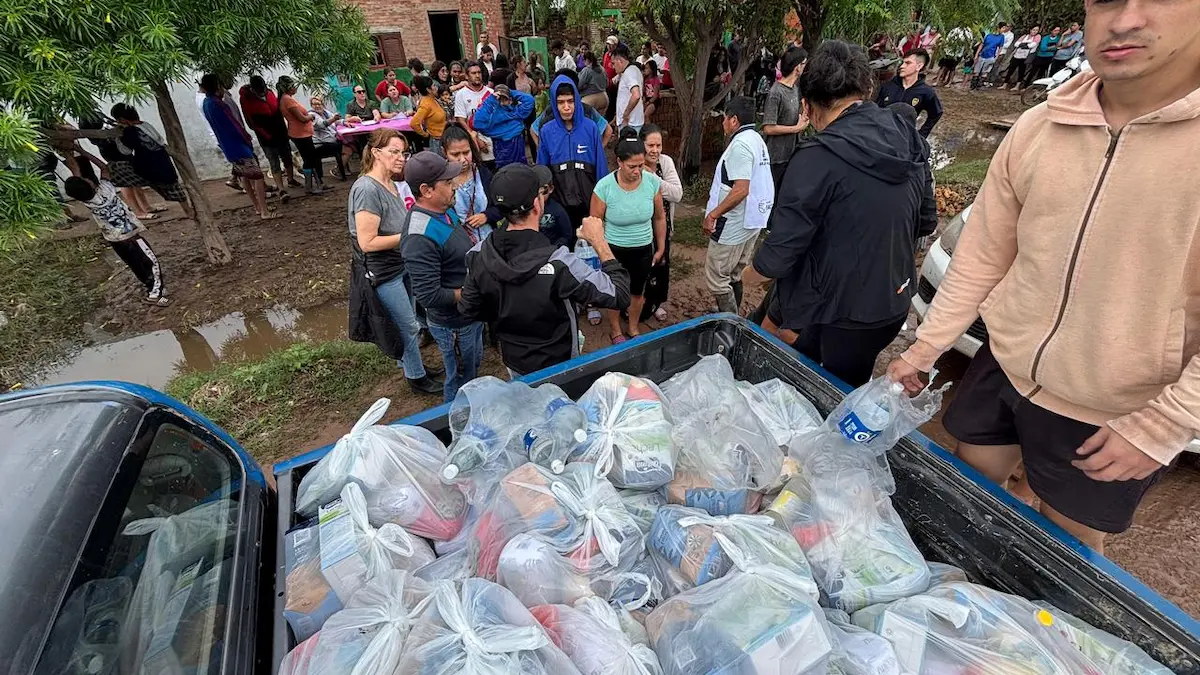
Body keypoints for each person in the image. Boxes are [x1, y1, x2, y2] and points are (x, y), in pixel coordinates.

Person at [887, 0, 1200, 553]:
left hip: (1114, 402)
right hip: (1006, 361)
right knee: (971, 485)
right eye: (1106, 0)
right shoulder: (1040, 126)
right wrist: (924, 347)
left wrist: (1166, 424)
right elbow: (982, 254)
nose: (1124, 20)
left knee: (1068, 541)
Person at [747, 41, 935, 386]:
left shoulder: (816, 157)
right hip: (894, 301)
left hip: (845, 311)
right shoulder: (907, 134)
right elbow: (926, 220)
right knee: (822, 364)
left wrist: (746, 274)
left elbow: (780, 255)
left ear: (807, 104)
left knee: (829, 395)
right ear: (864, 89)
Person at [459, 163, 631, 377]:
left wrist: (506, 308)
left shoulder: (477, 254)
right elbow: (620, 294)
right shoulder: (559, 262)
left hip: (516, 362)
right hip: (560, 365)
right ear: (537, 204)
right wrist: (598, 240)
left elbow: (469, 309)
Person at [347, 129, 442, 395]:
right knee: (408, 325)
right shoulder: (367, 189)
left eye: (403, 152)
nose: (401, 158)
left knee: (409, 321)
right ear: (376, 153)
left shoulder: (390, 183)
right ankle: (416, 378)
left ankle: (416, 368)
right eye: (394, 152)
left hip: (399, 265)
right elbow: (367, 242)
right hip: (382, 271)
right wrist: (409, 236)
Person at [402, 151, 484, 402]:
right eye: (447, 183)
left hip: (470, 313)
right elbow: (428, 295)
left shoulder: (443, 211)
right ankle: (456, 426)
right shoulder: (419, 236)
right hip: (454, 324)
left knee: (471, 369)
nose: (454, 186)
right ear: (426, 190)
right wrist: (473, 291)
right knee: (459, 379)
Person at [590, 130, 666, 343]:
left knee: (637, 293)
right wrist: (602, 252)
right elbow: (594, 224)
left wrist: (660, 248)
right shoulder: (604, 187)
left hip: (643, 248)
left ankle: (633, 327)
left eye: (641, 165)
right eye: (632, 166)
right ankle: (615, 330)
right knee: (614, 292)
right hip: (614, 249)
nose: (637, 171)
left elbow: (660, 217)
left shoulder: (651, 182)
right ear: (619, 162)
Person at [702, 96, 774, 316]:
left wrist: (713, 214)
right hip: (754, 218)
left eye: (724, 118)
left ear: (733, 120)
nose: (723, 123)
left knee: (716, 275)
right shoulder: (756, 139)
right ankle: (730, 313)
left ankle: (729, 320)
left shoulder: (741, 145)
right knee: (735, 271)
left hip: (735, 221)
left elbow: (741, 189)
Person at [65, 173, 169, 305]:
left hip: (115, 240)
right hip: (131, 237)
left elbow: (83, 177)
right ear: (89, 184)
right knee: (151, 262)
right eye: (85, 178)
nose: (87, 177)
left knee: (136, 265)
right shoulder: (106, 189)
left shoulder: (86, 202)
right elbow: (104, 168)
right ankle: (155, 295)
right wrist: (82, 152)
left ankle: (151, 287)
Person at [200, 74, 277, 220]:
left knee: (245, 177)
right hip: (237, 145)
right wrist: (246, 138)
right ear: (217, 86)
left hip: (228, 147)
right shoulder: (218, 104)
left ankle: (257, 207)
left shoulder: (206, 103)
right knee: (257, 176)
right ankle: (264, 211)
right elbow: (233, 125)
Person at [537, 74, 608, 231]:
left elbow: (601, 169)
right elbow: (542, 170)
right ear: (554, 105)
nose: (566, 107)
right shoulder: (547, 131)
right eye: (561, 102)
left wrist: (603, 201)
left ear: (576, 100)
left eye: (570, 101)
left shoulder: (590, 128)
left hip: (589, 202)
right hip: (559, 203)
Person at [108, 104, 188, 210]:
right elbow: (159, 140)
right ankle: (188, 210)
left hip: (147, 168)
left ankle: (139, 209)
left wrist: (118, 137)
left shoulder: (130, 132)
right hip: (163, 162)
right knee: (174, 188)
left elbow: (126, 151)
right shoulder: (146, 125)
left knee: (116, 169)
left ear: (122, 119)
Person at [640, 124, 682, 322]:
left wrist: (650, 178)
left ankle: (657, 302)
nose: (655, 150)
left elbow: (677, 194)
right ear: (642, 145)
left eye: (659, 145)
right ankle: (640, 302)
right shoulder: (633, 163)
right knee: (642, 266)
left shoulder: (665, 163)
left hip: (662, 225)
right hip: (640, 227)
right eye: (651, 145)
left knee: (662, 263)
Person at [441, 123, 502, 242]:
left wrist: (487, 216)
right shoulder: (441, 182)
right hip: (460, 246)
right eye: (455, 155)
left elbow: (502, 206)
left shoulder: (484, 175)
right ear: (444, 152)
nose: (463, 159)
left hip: (489, 242)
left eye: (466, 152)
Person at [240, 75, 299, 193]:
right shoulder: (246, 99)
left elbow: (278, 111)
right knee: (274, 161)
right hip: (266, 137)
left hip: (280, 132)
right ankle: (281, 189)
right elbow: (251, 122)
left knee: (287, 157)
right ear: (253, 89)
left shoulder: (270, 93)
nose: (262, 92)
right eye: (259, 90)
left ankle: (291, 179)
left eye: (263, 89)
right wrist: (264, 134)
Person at [763, 48, 809, 189]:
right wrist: (796, 128)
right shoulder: (776, 92)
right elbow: (768, 127)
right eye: (804, 64)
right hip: (776, 157)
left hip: (791, 153)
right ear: (797, 67)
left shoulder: (794, 89)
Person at [875, 49, 944, 137]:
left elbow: (936, 113)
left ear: (919, 66)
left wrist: (921, 135)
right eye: (902, 63)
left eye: (908, 63)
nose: (902, 66)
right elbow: (876, 109)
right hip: (881, 135)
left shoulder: (926, 92)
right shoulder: (887, 86)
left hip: (904, 138)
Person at [277, 76, 324, 194]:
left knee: (311, 159)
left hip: (302, 133)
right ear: (288, 87)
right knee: (308, 160)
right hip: (300, 134)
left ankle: (319, 183)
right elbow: (301, 119)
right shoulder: (287, 100)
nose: (295, 87)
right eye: (293, 85)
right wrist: (311, 116)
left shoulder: (285, 99)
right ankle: (309, 187)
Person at [472, 84, 534, 169]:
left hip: (517, 144)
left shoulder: (516, 112)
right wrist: (490, 101)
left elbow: (530, 100)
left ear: (510, 100)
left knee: (520, 171)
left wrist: (509, 92)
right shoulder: (493, 115)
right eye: (499, 99)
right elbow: (478, 123)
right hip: (501, 147)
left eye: (504, 99)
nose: (501, 102)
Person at [453, 61, 496, 173]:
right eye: (473, 73)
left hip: (494, 140)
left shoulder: (491, 93)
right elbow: (461, 120)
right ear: (467, 76)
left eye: (479, 72)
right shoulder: (461, 95)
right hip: (475, 143)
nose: (477, 75)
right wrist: (476, 139)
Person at [531, 164, 573, 249]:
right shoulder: (525, 208)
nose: (540, 196)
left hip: (552, 250)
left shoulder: (557, 210)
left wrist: (554, 248)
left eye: (543, 191)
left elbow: (567, 235)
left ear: (550, 189)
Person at [309, 95, 348, 180]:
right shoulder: (312, 115)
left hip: (331, 140)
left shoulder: (325, 112)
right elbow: (323, 124)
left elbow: (337, 120)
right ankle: (338, 170)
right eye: (314, 104)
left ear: (323, 104)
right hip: (321, 144)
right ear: (311, 105)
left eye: (319, 104)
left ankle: (342, 168)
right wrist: (333, 119)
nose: (317, 106)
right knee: (346, 147)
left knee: (350, 143)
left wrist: (345, 122)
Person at [611, 45, 645, 133]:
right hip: (631, 122)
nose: (612, 67)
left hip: (630, 124)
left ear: (620, 61)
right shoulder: (633, 71)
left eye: (613, 63)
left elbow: (636, 95)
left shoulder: (629, 73)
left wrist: (625, 114)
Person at [411, 76, 448, 153]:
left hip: (443, 137)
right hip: (436, 141)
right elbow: (414, 123)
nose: (436, 87)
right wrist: (425, 134)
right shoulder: (426, 104)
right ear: (428, 89)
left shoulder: (433, 99)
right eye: (434, 85)